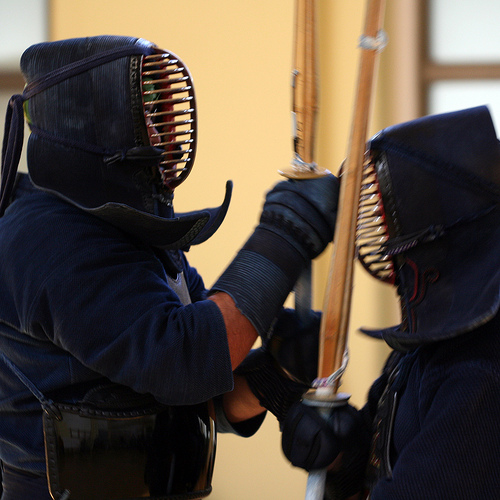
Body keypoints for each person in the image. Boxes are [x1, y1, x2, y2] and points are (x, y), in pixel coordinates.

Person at [0, 35, 340, 499]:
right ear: (91, 121)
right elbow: (187, 360)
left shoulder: (125, 231)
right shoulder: (48, 238)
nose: (162, 139)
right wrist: (284, 236)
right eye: (148, 120)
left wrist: (274, 377)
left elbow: (202, 396)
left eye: (163, 118)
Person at [280, 105, 500, 499]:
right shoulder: (422, 347)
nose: (383, 239)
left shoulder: (482, 367)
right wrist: (338, 450)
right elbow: (375, 462)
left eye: (391, 217)